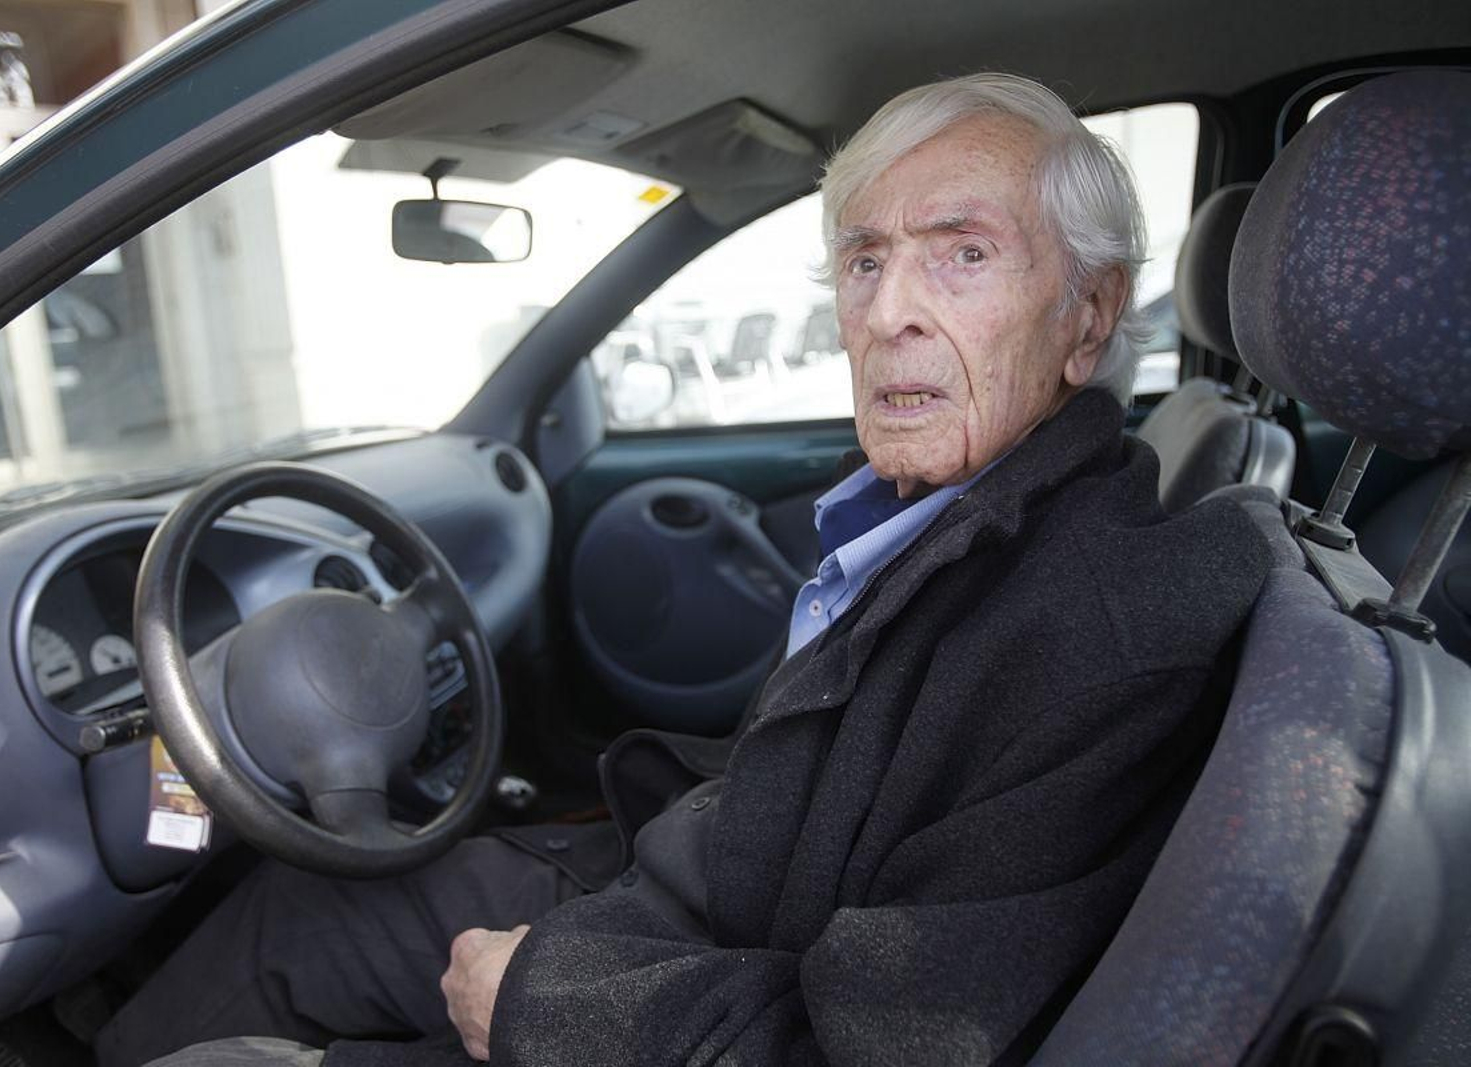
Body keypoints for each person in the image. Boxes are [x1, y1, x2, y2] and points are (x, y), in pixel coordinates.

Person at [104, 72, 1271, 1067]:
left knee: (279, 953)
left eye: (962, 254)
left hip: (689, 975)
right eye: (863, 262)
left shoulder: (1105, 632)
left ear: (1086, 316)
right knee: (319, 904)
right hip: (686, 896)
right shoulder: (958, 511)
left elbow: (899, 1041)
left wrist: (546, 1003)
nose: (890, 313)